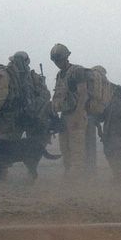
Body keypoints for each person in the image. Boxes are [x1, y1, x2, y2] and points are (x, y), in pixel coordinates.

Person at [50, 43, 90, 181]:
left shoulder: (77, 71)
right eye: (55, 60)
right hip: (64, 115)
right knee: (65, 149)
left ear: (66, 57)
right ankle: (69, 175)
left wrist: (78, 116)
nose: (57, 63)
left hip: (76, 114)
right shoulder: (60, 74)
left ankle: (76, 179)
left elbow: (83, 94)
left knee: (76, 149)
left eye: (59, 59)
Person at [7, 51, 52, 145]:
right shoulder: (10, 76)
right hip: (18, 116)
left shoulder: (33, 77)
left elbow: (46, 95)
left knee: (33, 145)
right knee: (12, 145)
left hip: (29, 116)